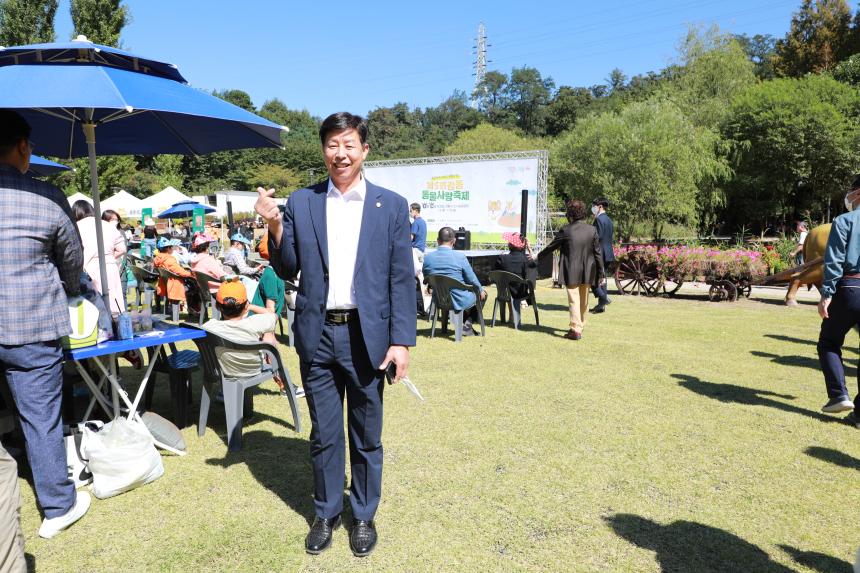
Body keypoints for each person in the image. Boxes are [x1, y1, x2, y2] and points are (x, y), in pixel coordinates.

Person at [255, 111, 415, 557]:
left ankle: (363, 515)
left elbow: (401, 278)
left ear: (364, 150)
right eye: (332, 145)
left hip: (368, 336)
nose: (340, 154)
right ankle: (326, 513)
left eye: (348, 145)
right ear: (323, 149)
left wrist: (401, 341)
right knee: (324, 434)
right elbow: (287, 267)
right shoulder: (303, 201)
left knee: (366, 433)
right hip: (318, 333)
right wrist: (274, 225)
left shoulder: (391, 205)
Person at [0, 109, 90, 539]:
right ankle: (57, 506)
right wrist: (70, 287)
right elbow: (72, 262)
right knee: (41, 418)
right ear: (23, 147)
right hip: (31, 325)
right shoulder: (47, 196)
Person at [816, 175, 860, 426]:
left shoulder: (844, 221)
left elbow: (834, 261)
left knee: (829, 342)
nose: (849, 195)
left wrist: (826, 294)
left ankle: (838, 395)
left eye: (852, 190)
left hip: (850, 287)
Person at [540, 199, 605, 340]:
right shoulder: (592, 230)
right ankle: (580, 326)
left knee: (574, 300)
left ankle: (575, 329)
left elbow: (551, 247)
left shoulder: (566, 230)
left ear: (570, 214)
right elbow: (598, 254)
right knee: (584, 300)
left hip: (571, 270)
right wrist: (601, 274)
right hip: (589, 270)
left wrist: (537, 257)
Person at [423, 226, 487, 336]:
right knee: (482, 294)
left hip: (439, 299)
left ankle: (455, 325)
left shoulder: (428, 258)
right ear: (454, 241)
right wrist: (480, 290)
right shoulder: (460, 257)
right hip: (459, 299)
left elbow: (426, 278)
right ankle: (466, 325)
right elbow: (471, 279)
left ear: (437, 240)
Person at [73, 200, 127, 314]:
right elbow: (122, 249)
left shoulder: (76, 226)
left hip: (88, 270)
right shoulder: (108, 225)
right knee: (115, 308)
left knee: (93, 309)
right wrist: (108, 257)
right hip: (110, 267)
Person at [153, 237, 198, 312]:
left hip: (164, 283)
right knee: (195, 287)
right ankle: (194, 309)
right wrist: (191, 274)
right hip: (174, 284)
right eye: (171, 247)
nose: (172, 249)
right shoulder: (169, 259)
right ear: (168, 249)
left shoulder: (157, 258)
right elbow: (180, 271)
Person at [495, 231, 537, 302]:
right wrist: (529, 249)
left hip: (504, 293)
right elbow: (534, 265)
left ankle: (511, 308)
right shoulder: (526, 260)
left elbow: (494, 274)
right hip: (521, 294)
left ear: (510, 245)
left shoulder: (502, 258)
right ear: (522, 246)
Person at [590, 197, 614, 314]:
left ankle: (604, 299)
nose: (592, 207)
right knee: (602, 279)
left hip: (600, 253)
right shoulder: (608, 219)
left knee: (592, 277)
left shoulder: (599, 220)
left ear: (600, 206)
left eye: (594, 205)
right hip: (608, 252)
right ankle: (601, 306)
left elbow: (597, 238)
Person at [102, 209, 130, 306]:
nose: (115, 222)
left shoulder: (121, 232)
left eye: (116, 219)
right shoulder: (101, 233)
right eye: (112, 219)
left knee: (122, 294)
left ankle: (124, 314)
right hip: (107, 269)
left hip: (120, 267)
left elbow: (123, 251)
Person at [409, 203, 430, 313]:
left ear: (416, 211)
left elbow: (410, 238)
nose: (410, 213)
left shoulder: (416, 223)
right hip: (421, 252)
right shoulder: (423, 222)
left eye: (411, 211)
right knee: (421, 279)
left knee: (415, 279)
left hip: (415, 252)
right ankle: (426, 306)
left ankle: (420, 306)